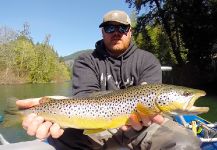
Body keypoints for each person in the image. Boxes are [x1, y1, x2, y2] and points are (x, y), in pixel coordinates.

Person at [16, 10, 201, 150]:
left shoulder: (147, 60)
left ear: (130, 32)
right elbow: (85, 100)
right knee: (58, 136)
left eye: (122, 28)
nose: (117, 32)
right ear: (102, 32)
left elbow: (152, 110)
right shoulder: (86, 60)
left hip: (144, 127)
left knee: (186, 141)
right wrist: (55, 107)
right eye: (110, 28)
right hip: (97, 126)